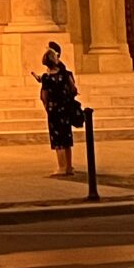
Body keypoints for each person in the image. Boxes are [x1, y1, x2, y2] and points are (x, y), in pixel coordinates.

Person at [36, 41, 82, 177]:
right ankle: (68, 166)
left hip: (54, 110)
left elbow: (44, 96)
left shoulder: (47, 78)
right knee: (67, 138)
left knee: (58, 140)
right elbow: (73, 90)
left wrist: (47, 107)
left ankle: (61, 167)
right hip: (66, 108)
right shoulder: (66, 74)